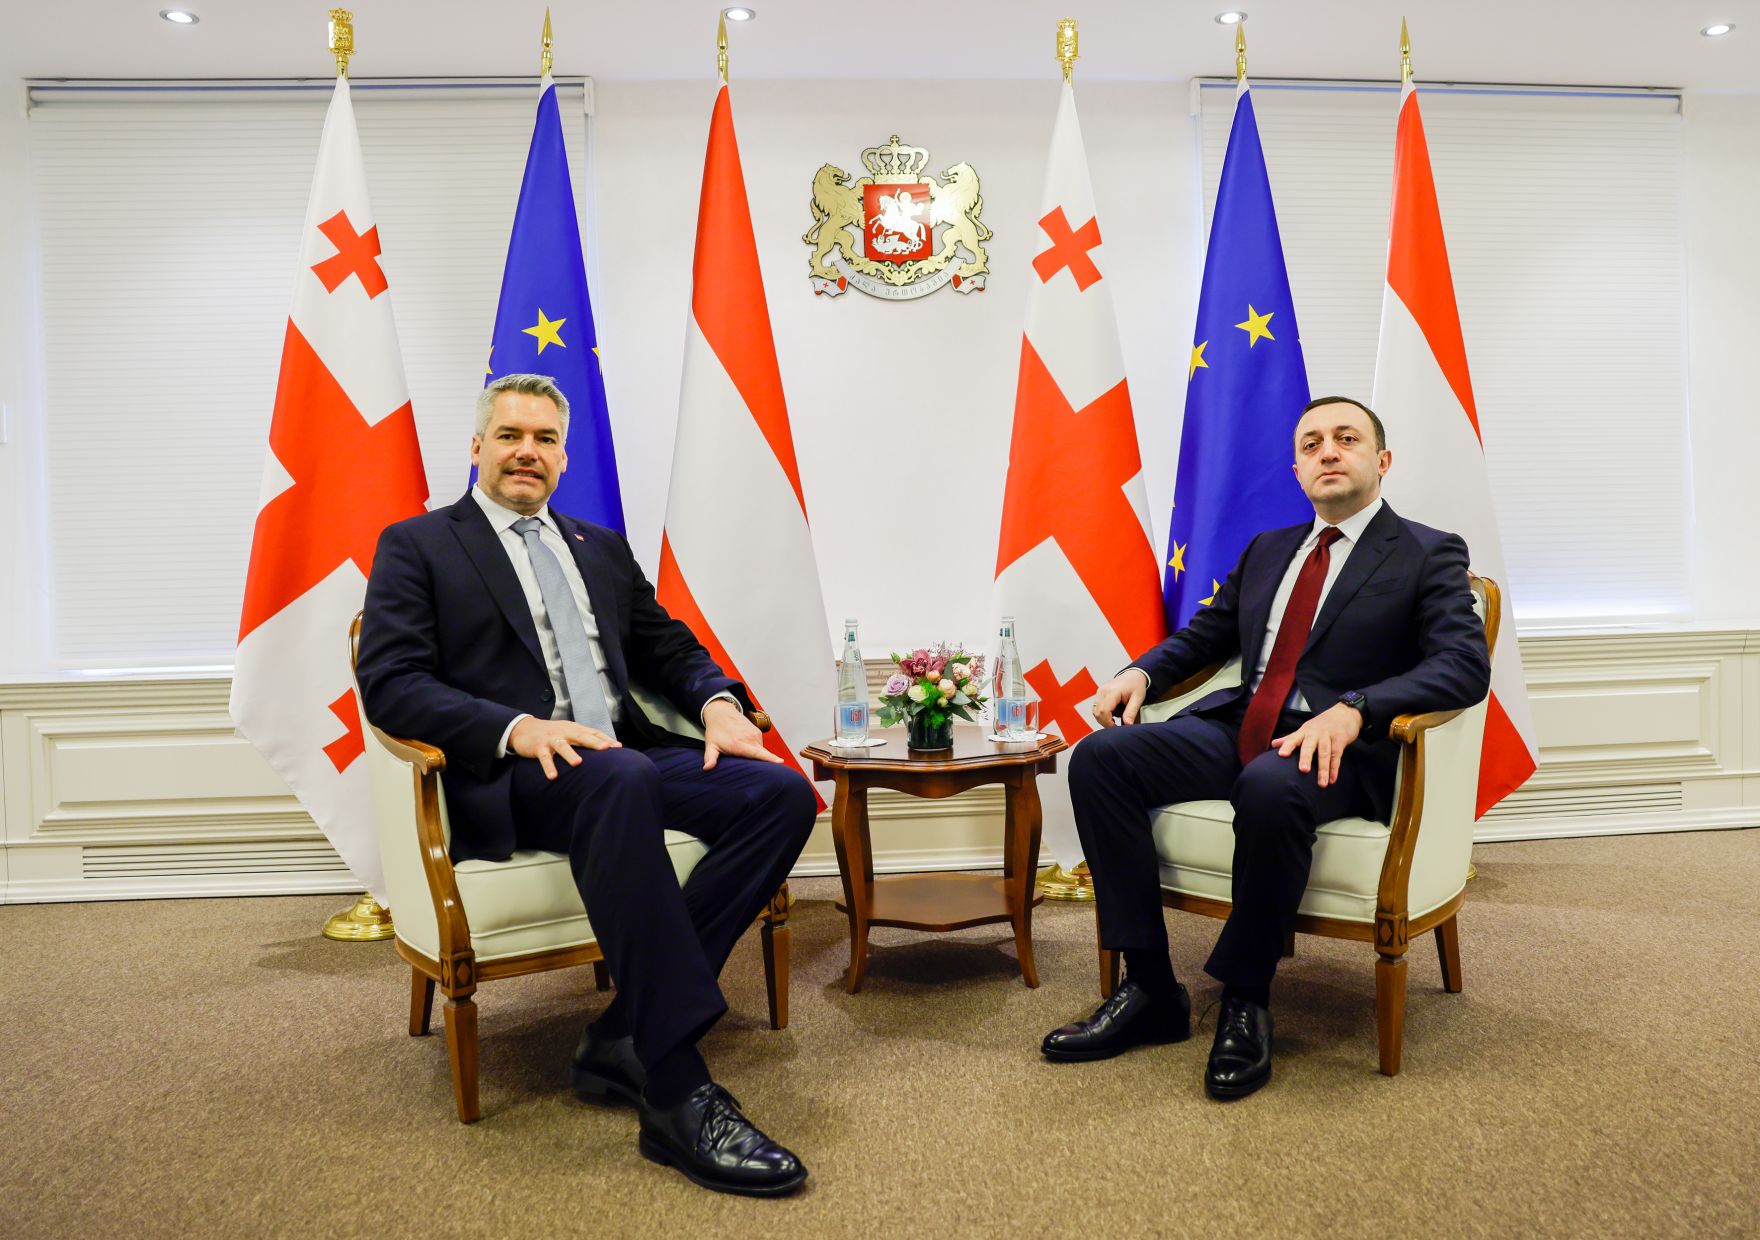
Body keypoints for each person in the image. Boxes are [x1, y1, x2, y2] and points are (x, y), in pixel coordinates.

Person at [356, 374, 816, 1195]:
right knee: (620, 776)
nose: (526, 452)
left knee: (777, 796)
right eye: (509, 436)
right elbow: (392, 683)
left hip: (622, 759)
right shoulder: (418, 544)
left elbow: (667, 645)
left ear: (564, 458)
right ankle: (674, 1088)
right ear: (477, 447)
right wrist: (516, 727)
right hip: (516, 774)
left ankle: (624, 1033)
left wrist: (717, 704)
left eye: (544, 440)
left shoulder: (599, 546)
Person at [1040, 396, 1491, 1099]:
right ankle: (1150, 986)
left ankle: (1246, 998)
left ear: (1382, 461)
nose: (1328, 452)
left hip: (1340, 750)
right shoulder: (1269, 549)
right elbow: (1207, 636)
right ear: (1297, 469)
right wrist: (1142, 672)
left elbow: (1462, 666)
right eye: (1312, 444)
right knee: (1103, 759)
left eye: (1346, 438)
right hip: (1244, 727)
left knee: (1270, 785)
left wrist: (1357, 709)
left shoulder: (1428, 552)